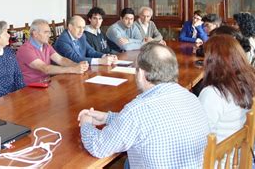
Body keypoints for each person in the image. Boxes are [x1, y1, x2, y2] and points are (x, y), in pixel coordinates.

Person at [78, 42, 210, 168]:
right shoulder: (191, 97)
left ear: (141, 73)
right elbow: (149, 122)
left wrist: (86, 123)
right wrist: (107, 117)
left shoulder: (137, 110)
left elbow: (99, 147)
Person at [198, 35, 255, 143]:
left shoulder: (212, 94)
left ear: (213, 62)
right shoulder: (248, 82)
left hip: (219, 158)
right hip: (239, 152)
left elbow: (198, 135)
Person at [16, 19, 89, 84]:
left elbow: (61, 59)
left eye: (49, 32)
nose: (49, 35)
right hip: (29, 89)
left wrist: (77, 65)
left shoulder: (46, 46)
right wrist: (73, 69)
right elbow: (45, 68)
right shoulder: (25, 50)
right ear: (35, 34)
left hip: (45, 84)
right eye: (46, 32)